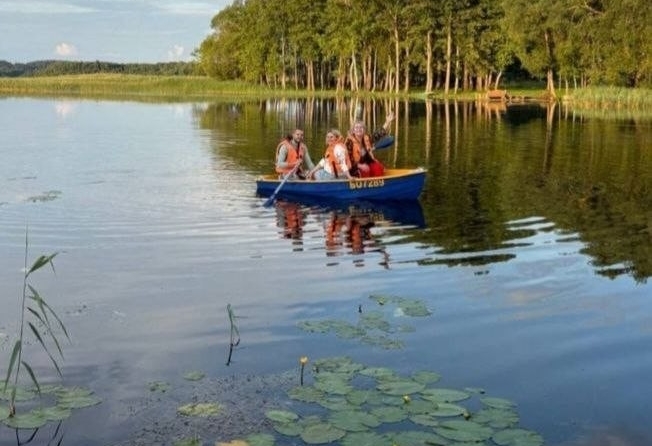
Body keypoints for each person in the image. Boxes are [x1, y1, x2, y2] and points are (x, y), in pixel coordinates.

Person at [345, 111, 394, 178]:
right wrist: (360, 166)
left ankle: (378, 181)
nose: (359, 129)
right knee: (366, 171)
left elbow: (378, 134)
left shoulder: (367, 138)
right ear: (353, 130)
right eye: (356, 127)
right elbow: (347, 160)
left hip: (366, 163)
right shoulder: (349, 142)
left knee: (378, 168)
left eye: (361, 127)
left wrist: (387, 122)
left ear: (364, 130)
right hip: (353, 167)